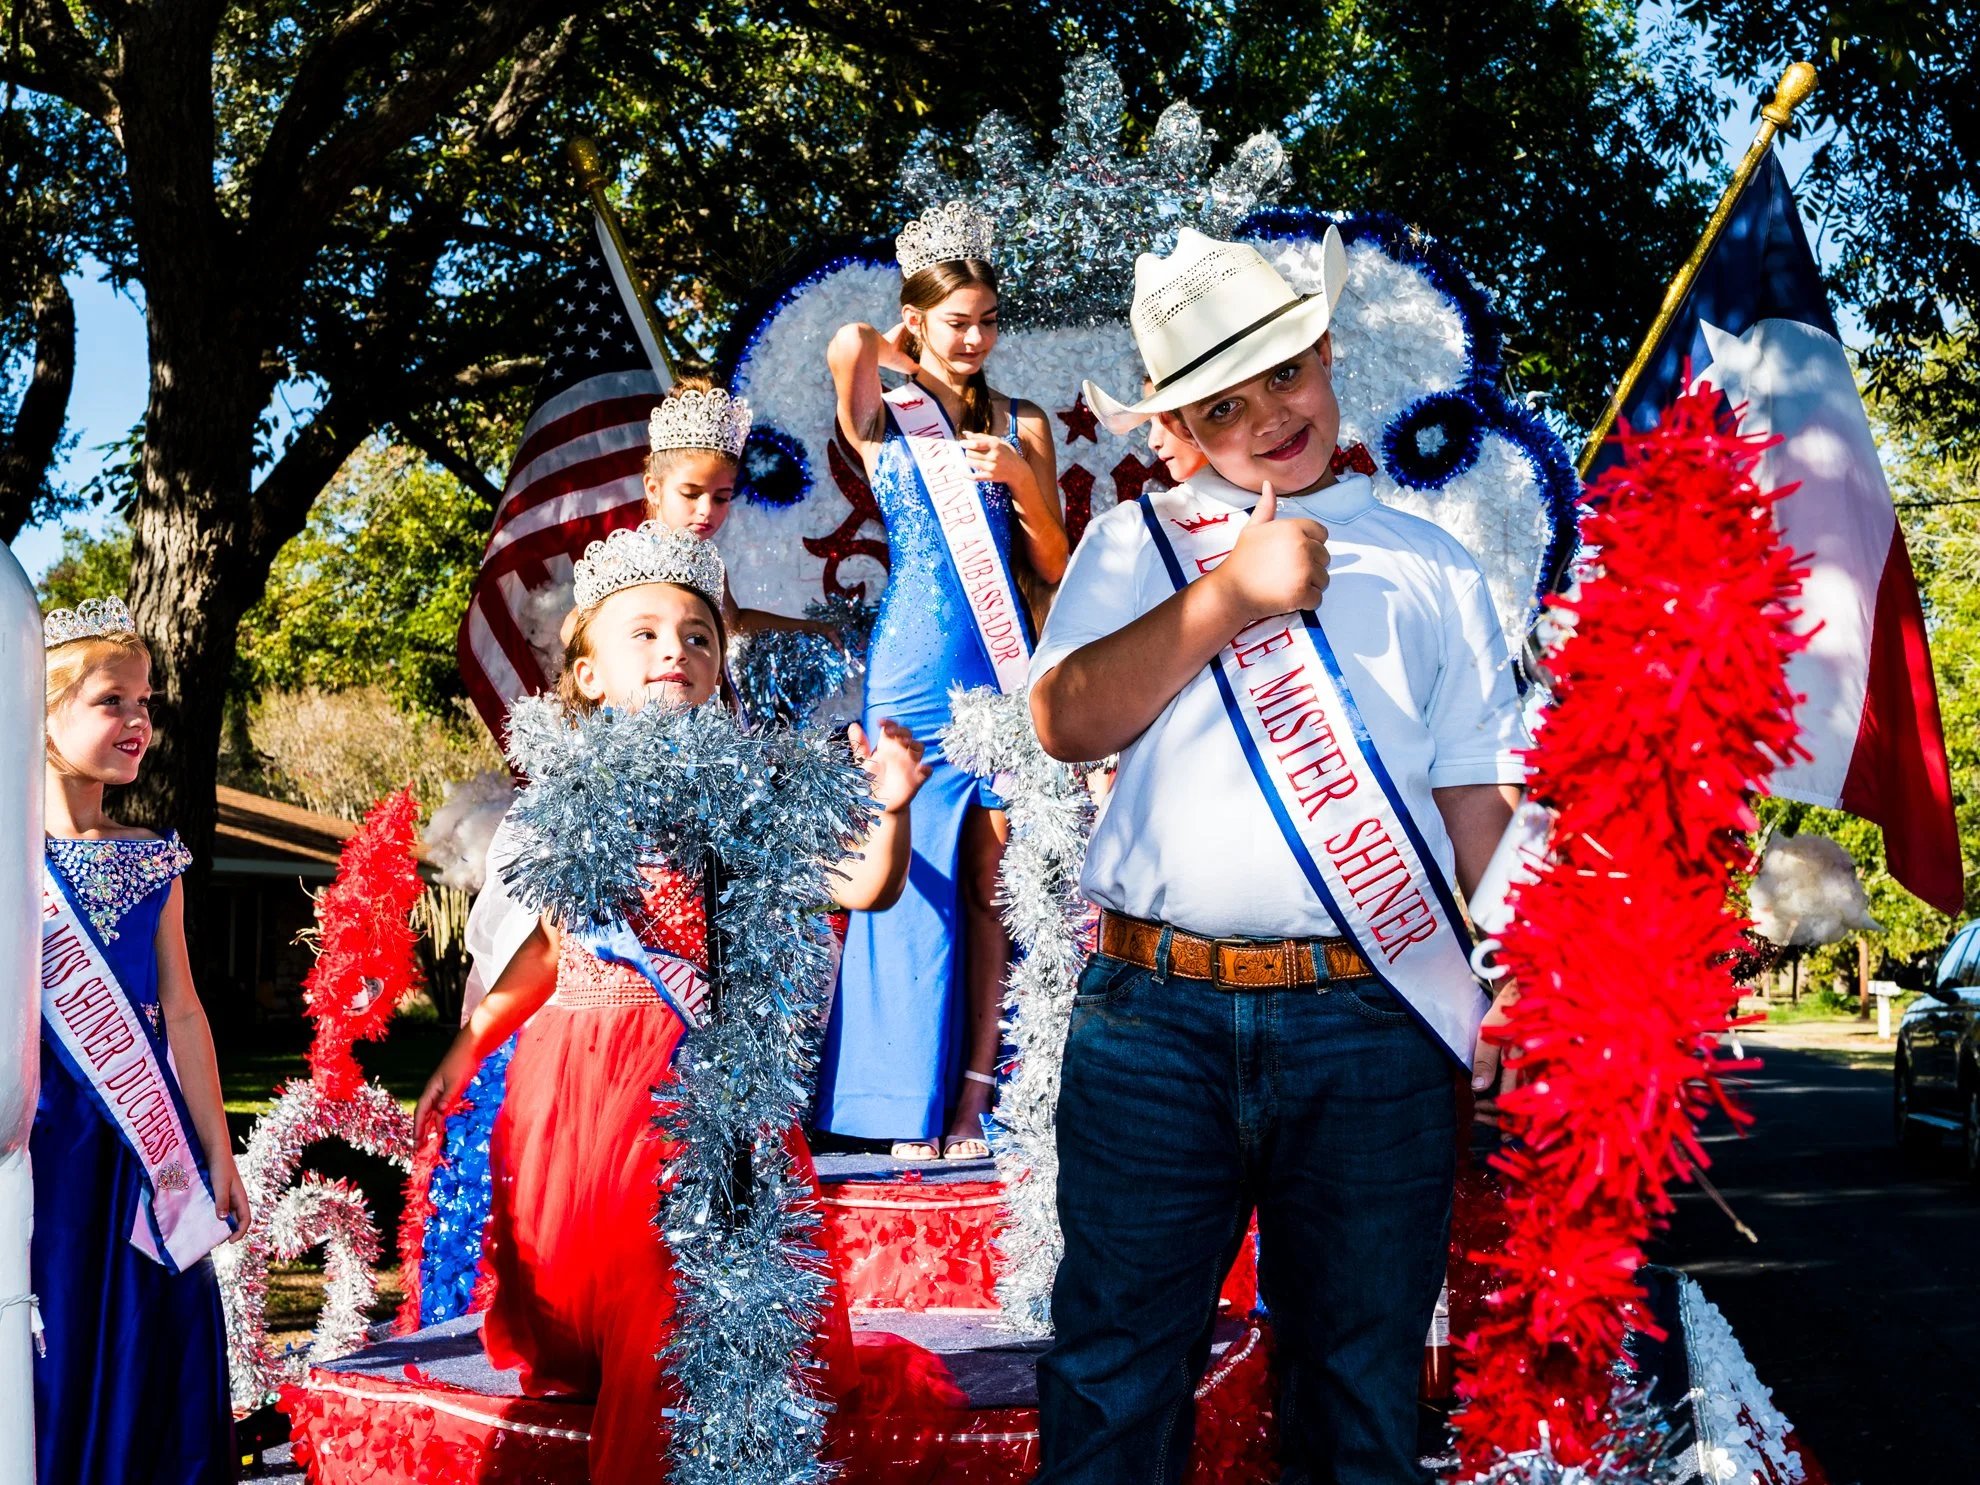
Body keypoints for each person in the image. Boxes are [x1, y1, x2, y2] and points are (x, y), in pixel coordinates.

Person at [1028, 228, 1528, 1484]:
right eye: (1224, 404)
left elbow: (1478, 799)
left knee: (1359, 1397)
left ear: (1325, 354)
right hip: (1155, 1022)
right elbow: (1065, 718)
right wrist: (1231, 596)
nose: (1270, 417)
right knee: (1111, 1379)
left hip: (1377, 1023)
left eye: (1285, 377)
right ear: (1182, 428)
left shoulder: (1434, 564)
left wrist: (1534, 969)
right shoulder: (1135, 547)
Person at [413, 523, 931, 1485]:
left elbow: (864, 887)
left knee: (681, 1303)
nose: (675, 652)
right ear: (589, 673)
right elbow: (544, 953)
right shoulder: (553, 800)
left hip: (695, 1092)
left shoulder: (747, 791)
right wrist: (470, 1039)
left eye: (697, 635)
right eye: (644, 633)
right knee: (607, 1309)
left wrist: (891, 808)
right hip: (575, 1092)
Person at [817, 199, 1069, 1160]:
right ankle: (896, 1105)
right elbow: (849, 341)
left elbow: (1052, 562)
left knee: (993, 884)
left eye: (988, 320)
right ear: (918, 321)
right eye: (956, 319)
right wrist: (910, 350)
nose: (976, 338)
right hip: (913, 668)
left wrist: (1018, 477)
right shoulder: (887, 410)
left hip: (1000, 671)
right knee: (910, 871)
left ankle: (974, 1103)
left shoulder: (1023, 422)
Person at [34, 597, 250, 1485]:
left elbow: (185, 1011)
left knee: (146, 1339)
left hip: (141, 1150)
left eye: (147, 701)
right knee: (50, 1334)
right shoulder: (9, 856)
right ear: (39, 713)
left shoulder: (157, 857)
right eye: (111, 700)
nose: (140, 720)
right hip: (43, 1143)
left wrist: (215, 1145)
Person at [642, 375, 841, 644]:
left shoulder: (706, 562)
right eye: (691, 494)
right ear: (654, 490)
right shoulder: (635, 562)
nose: (706, 510)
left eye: (722, 498)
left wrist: (814, 628)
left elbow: (732, 623)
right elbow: (575, 626)